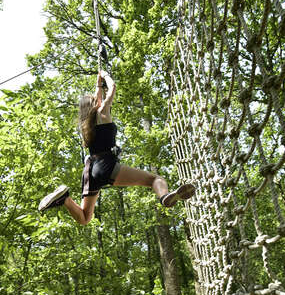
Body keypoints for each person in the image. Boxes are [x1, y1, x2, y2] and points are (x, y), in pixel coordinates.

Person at [38, 70, 195, 225]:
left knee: (85, 218)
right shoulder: (103, 111)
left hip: (91, 169)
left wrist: (99, 83)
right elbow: (112, 88)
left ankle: (65, 199)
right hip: (106, 166)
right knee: (155, 179)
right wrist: (105, 75)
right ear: (95, 104)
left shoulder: (86, 124)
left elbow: (98, 96)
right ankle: (164, 197)